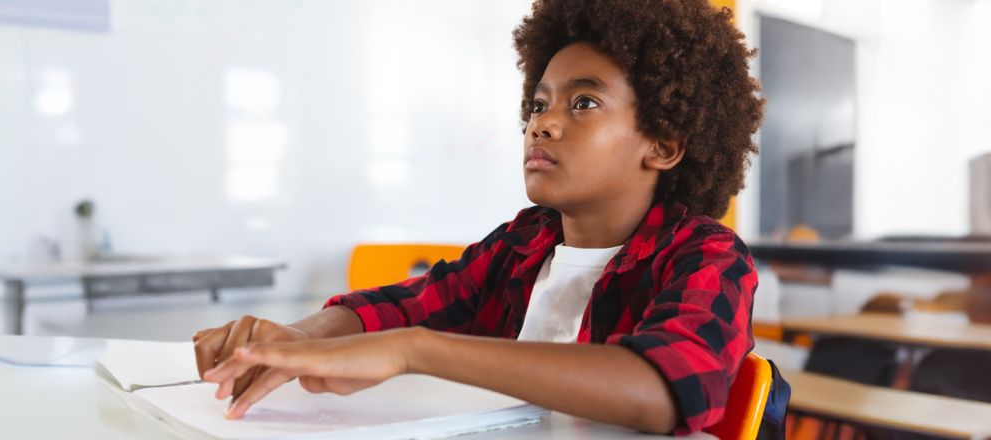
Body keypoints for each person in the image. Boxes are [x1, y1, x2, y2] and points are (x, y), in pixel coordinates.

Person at [194, 0, 767, 435]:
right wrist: (295, 340)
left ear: (663, 145)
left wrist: (411, 350)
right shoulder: (522, 244)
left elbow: (665, 387)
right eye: (538, 104)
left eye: (584, 103)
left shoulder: (707, 257)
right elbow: (405, 304)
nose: (542, 124)